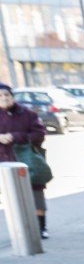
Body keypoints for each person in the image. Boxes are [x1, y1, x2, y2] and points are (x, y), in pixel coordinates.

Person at [0, 83, 50, 238]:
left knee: (36, 193)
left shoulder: (27, 114)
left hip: (26, 159)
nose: (4, 98)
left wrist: (16, 137)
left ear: (12, 96)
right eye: (0, 96)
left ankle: (41, 228)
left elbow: (39, 133)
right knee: (10, 197)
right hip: (3, 160)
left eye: (7, 95)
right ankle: (18, 229)